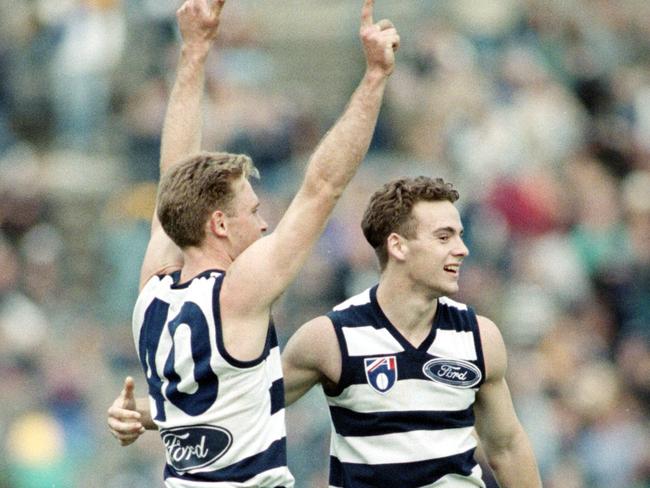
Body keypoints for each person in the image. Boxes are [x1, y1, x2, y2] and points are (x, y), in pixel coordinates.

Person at [106, 0, 400, 486]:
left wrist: (195, 51)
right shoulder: (237, 293)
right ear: (219, 225)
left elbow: (171, 177)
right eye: (254, 212)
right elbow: (322, 187)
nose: (264, 226)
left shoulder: (152, 293)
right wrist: (373, 79)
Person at [111, 176, 543, 487]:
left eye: (460, 235)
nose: (461, 249)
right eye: (445, 236)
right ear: (398, 246)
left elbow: (505, 447)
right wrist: (146, 416)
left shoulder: (478, 336)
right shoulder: (332, 338)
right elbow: (242, 400)